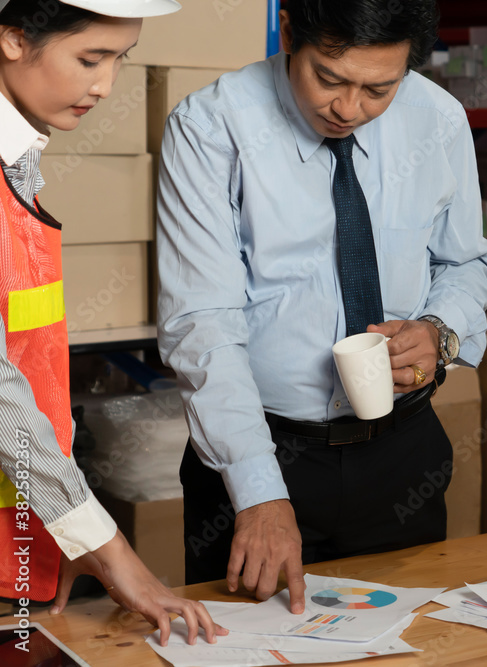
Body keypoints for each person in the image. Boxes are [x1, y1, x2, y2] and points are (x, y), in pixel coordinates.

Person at [156, 0, 487, 614]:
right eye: (329, 78)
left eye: (379, 89)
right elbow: (201, 323)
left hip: (403, 452)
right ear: (289, 33)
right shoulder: (213, 126)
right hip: (262, 454)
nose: (348, 109)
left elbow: (465, 261)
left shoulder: (437, 119)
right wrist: (259, 494)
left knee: (408, 650)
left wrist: (440, 332)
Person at [0, 0, 223, 645]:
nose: (105, 85)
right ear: (14, 38)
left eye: (119, 60)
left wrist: (57, 528)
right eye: (90, 58)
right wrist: (108, 548)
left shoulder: (19, 159)